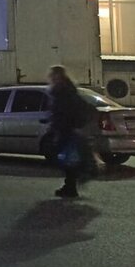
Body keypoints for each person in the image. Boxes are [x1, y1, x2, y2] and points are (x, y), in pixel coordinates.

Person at [46, 65, 95, 198]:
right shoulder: (64, 90)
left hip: (67, 129)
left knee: (67, 158)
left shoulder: (63, 92)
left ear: (58, 76)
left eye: (53, 75)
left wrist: (59, 126)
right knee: (68, 158)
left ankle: (71, 186)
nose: (51, 77)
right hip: (66, 129)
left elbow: (64, 112)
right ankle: (70, 185)